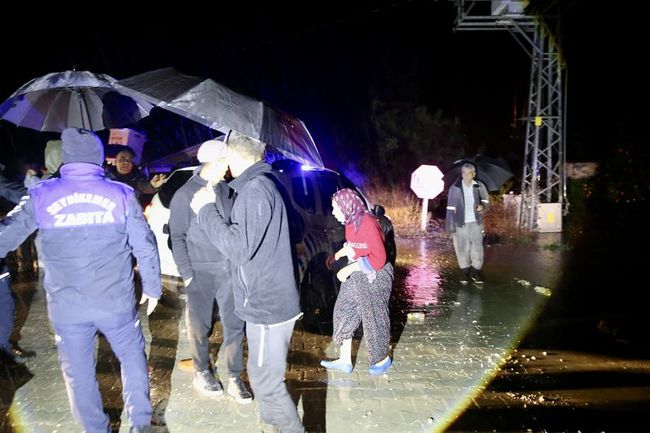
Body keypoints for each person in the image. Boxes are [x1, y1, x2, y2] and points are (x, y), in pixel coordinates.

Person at [0, 128, 161, 433]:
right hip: (116, 302)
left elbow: (5, 236)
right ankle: (140, 424)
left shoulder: (41, 195)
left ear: (66, 158)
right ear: (99, 158)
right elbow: (145, 244)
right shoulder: (120, 194)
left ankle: (96, 428)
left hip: (68, 307)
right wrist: (152, 287)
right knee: (131, 357)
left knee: (78, 373)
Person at [190, 132, 304, 433]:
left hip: (267, 307)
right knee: (263, 377)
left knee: (267, 384)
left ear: (232, 155)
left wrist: (205, 210)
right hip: (267, 302)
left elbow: (239, 249)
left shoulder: (255, 190)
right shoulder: (262, 185)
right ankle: (272, 427)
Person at [168, 139, 252, 403]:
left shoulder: (226, 190)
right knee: (200, 326)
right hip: (200, 272)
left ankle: (235, 377)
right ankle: (202, 371)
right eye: (225, 162)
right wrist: (187, 272)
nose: (228, 167)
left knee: (235, 325)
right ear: (214, 162)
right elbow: (177, 237)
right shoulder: (184, 194)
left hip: (229, 271)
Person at [320, 189, 394, 375]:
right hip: (360, 271)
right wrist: (339, 254)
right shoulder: (350, 223)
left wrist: (348, 269)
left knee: (373, 315)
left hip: (377, 274)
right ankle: (344, 360)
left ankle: (381, 359)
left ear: (347, 206)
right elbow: (356, 246)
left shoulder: (368, 222)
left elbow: (379, 259)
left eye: (336, 208)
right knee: (344, 309)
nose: (333, 212)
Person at [445, 162, 489, 284]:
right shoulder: (455, 188)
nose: (466, 175)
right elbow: (450, 208)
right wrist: (450, 227)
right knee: (462, 248)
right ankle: (464, 272)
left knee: (477, 248)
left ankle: (476, 272)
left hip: (476, 223)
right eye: (464, 173)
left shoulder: (480, 186)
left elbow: (486, 202)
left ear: (474, 174)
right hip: (460, 224)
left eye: (469, 173)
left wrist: (483, 207)